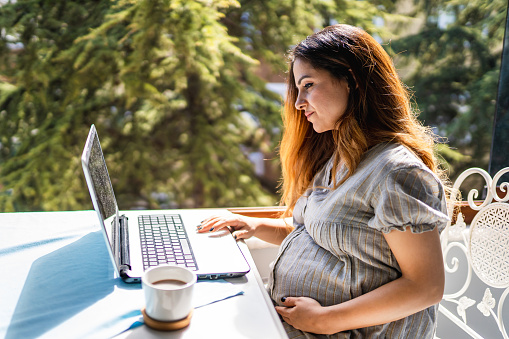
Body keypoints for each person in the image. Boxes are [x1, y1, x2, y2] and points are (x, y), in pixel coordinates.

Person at [198, 24, 450, 338]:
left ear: (352, 80)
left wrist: (325, 320)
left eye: (308, 85)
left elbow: (425, 287)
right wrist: (253, 225)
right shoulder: (341, 157)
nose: (298, 102)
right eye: (297, 89)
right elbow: (316, 229)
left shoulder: (397, 173)